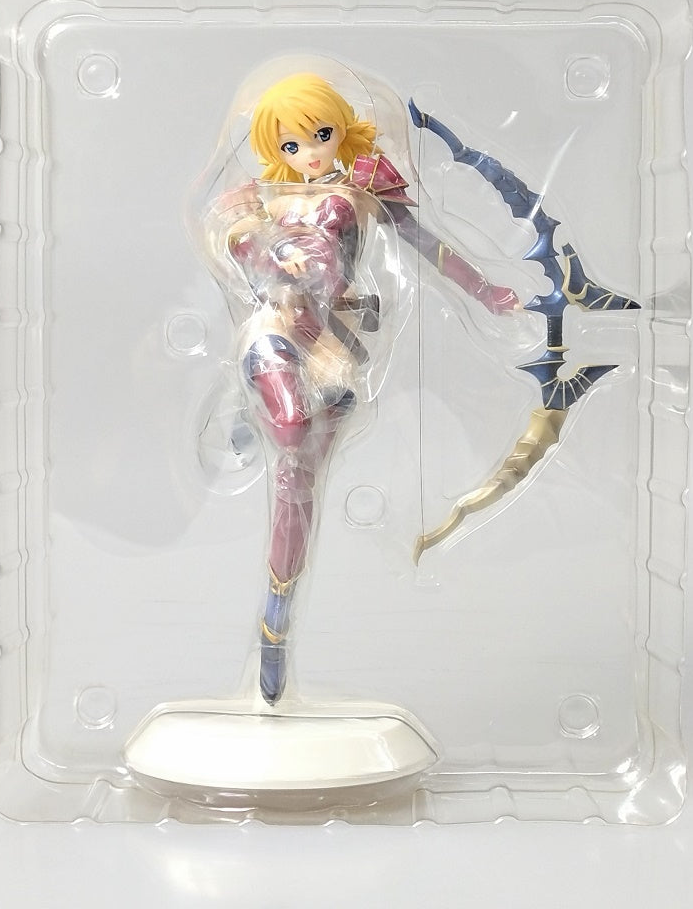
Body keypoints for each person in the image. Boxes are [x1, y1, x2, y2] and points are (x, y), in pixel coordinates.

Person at [201, 72, 518, 703]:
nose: (309, 153)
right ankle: (251, 411)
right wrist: (265, 250)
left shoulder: (362, 188)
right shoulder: (256, 201)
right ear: (271, 146)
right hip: (276, 329)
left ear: (340, 130)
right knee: (289, 427)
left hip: (334, 347)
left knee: (297, 482)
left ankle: (277, 616)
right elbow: (242, 258)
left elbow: (425, 244)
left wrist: (484, 290)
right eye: (291, 144)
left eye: (320, 135)